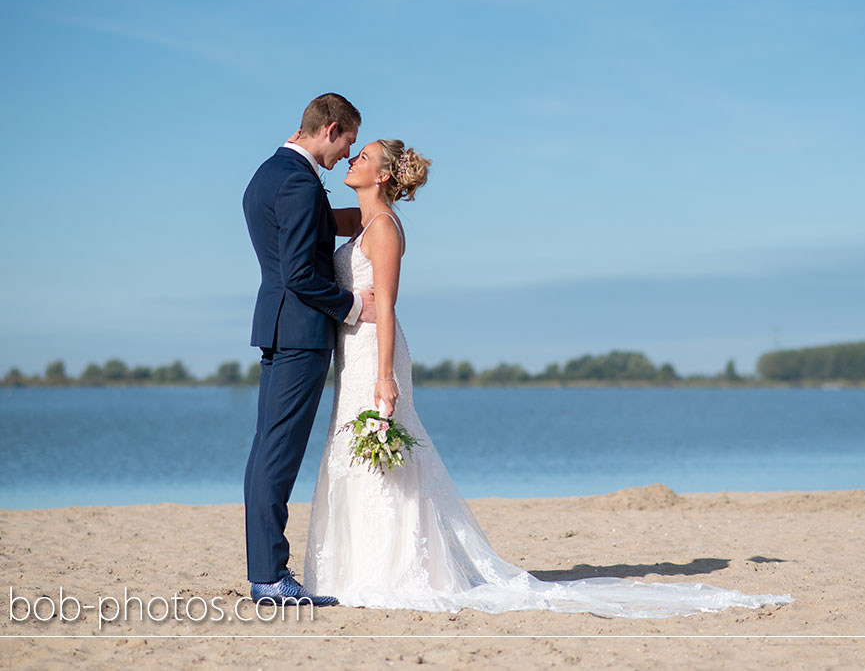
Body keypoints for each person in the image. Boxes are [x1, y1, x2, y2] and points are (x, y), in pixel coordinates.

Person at [303, 140, 793, 616]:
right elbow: (318, 216)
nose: (351, 159)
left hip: (376, 354)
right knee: (351, 450)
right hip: (352, 353)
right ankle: (353, 569)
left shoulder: (385, 227)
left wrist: (386, 375)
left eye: (362, 157)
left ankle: (390, 569)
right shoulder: (362, 220)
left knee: (381, 451)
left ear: (382, 175)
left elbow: (386, 306)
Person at [241, 93, 377, 607]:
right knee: (278, 455)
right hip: (300, 333)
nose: (347, 155)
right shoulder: (298, 181)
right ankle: (270, 577)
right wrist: (351, 305)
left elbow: (321, 226)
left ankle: (265, 570)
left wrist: (379, 209)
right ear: (332, 128)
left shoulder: (268, 174)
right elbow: (300, 273)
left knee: (265, 450)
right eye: (348, 143)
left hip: (278, 328)